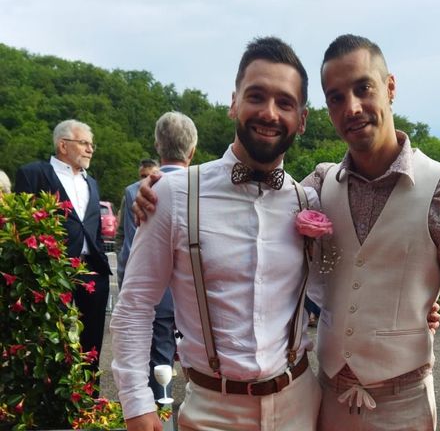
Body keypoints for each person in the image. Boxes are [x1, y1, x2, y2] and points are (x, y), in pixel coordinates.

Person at [110, 37, 323, 431]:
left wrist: (420, 307)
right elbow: (136, 304)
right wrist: (137, 404)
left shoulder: (308, 199)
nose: (270, 113)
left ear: (303, 119)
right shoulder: (174, 195)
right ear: (234, 103)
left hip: (301, 404)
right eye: (256, 96)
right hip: (212, 411)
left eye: (285, 102)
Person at [302, 34, 440, 431]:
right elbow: (258, 208)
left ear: (389, 87)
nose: (351, 107)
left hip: (404, 406)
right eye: (335, 97)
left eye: (362, 88)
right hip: (327, 399)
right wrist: (167, 193)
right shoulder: (319, 185)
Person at [14, 119, 111, 388]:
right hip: (52, 275)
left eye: (92, 144)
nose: (91, 149)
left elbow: (93, 228)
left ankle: (89, 404)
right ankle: (52, 405)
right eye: (84, 143)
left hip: (92, 273)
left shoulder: (91, 182)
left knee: (91, 343)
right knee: (50, 343)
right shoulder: (33, 174)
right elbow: (23, 225)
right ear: (63, 145)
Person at [116, 112, 197, 402]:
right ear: (193, 150)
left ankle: (163, 412)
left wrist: (128, 289)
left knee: (160, 359)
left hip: (158, 296)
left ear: (157, 146)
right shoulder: (204, 188)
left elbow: (130, 250)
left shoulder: (135, 192)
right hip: (199, 299)